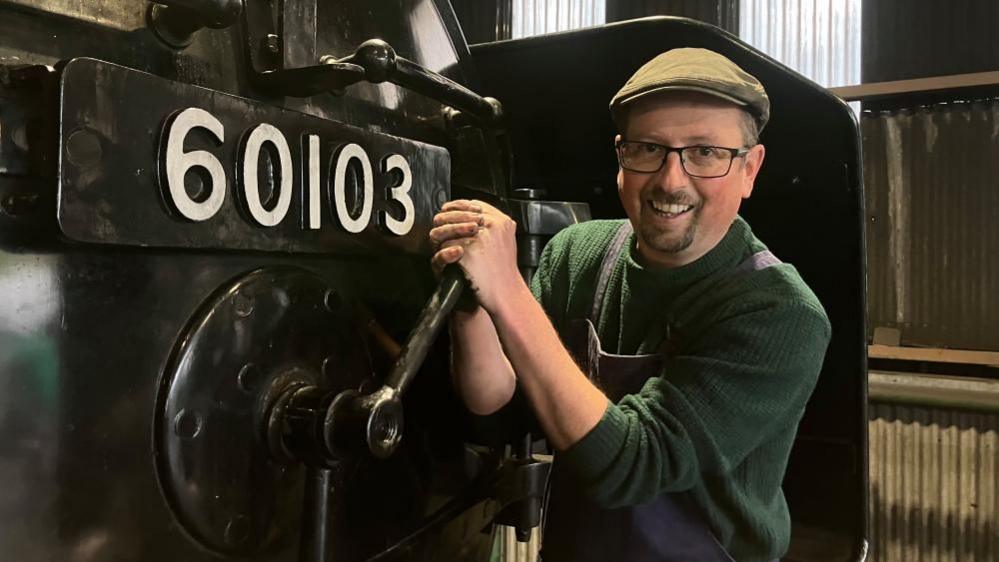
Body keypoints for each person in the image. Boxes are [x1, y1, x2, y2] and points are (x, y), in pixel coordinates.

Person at [429, 47, 831, 562]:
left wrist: (507, 290)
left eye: (704, 152)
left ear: (750, 169)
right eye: (648, 149)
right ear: (621, 155)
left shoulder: (781, 314)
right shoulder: (578, 253)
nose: (671, 180)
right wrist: (472, 302)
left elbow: (632, 465)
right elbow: (499, 405)